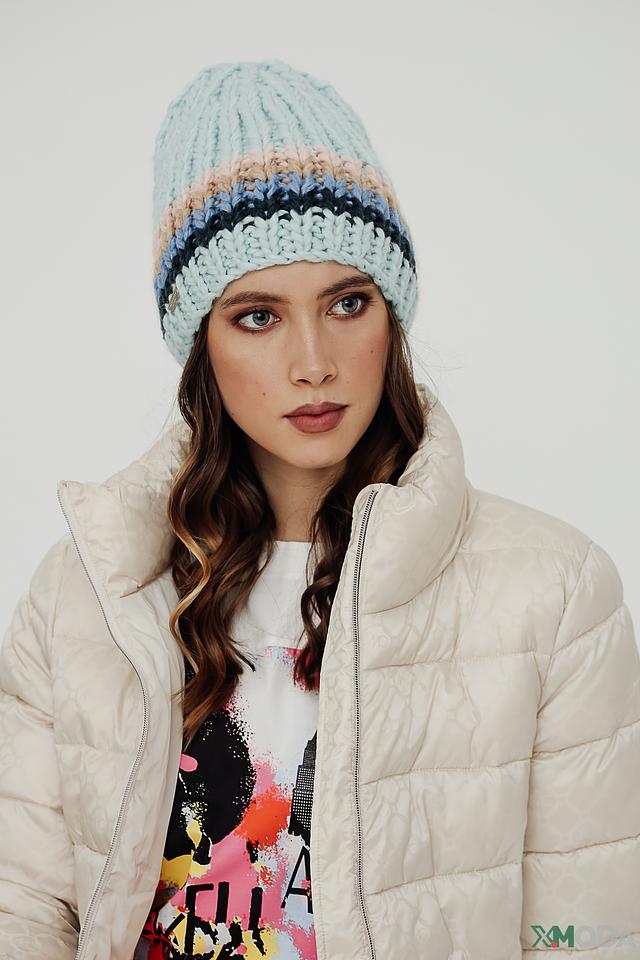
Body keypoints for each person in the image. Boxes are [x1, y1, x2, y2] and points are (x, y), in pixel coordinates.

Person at [1, 59, 639, 960]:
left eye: (347, 302)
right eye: (258, 316)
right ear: (200, 342)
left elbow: (584, 935)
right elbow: (22, 911)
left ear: (392, 313)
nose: (314, 363)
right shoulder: (83, 597)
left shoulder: (555, 593)